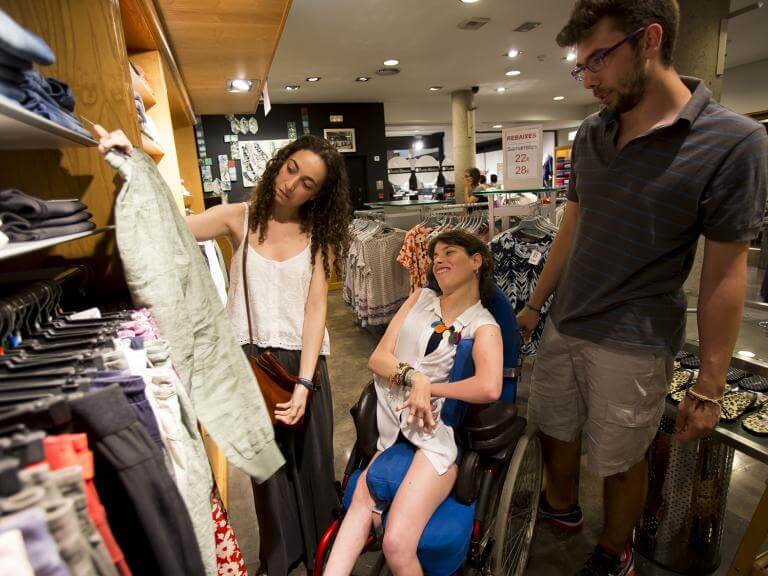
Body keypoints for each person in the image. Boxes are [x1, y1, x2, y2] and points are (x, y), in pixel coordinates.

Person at [516, 2, 768, 575]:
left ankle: (614, 551)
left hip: (634, 338)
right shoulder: (591, 133)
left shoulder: (734, 142)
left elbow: (725, 272)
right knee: (555, 428)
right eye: (581, 66)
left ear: (650, 39)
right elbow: (571, 227)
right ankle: (563, 511)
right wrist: (536, 304)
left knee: (620, 458)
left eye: (599, 58)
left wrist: (710, 382)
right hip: (566, 322)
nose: (590, 77)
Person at [95, 127, 353, 576]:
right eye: (292, 168)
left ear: (319, 194)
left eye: (307, 182)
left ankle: (320, 557)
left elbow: (316, 310)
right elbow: (168, 229)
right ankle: (277, 562)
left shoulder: (318, 236)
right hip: (248, 366)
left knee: (311, 468)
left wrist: (306, 383)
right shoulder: (240, 217)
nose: (291, 183)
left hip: (304, 366)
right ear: (282, 161)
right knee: (266, 479)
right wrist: (131, 162)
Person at [324, 230, 503, 576]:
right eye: (435, 255)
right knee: (361, 501)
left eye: (449, 252)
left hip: (434, 438)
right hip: (392, 427)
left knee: (395, 543)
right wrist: (416, 379)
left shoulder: (484, 324)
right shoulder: (420, 298)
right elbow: (378, 358)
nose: (439, 260)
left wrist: (433, 391)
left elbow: (490, 386)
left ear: (476, 261)